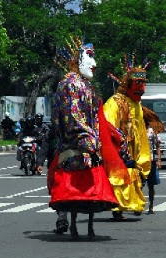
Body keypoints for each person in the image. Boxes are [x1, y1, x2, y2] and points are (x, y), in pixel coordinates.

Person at [49, 38, 123, 234]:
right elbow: (72, 118)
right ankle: (70, 223)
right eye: (90, 57)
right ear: (77, 59)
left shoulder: (87, 87)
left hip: (91, 147)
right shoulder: (70, 84)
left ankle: (88, 226)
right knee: (73, 193)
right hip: (77, 148)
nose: (95, 64)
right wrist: (88, 138)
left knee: (92, 194)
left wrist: (111, 136)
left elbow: (97, 118)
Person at [104, 55, 154, 221]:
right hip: (120, 150)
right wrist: (120, 147)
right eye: (139, 84)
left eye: (144, 84)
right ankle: (117, 209)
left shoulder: (136, 104)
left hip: (134, 151)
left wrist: (143, 156)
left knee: (135, 177)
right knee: (119, 178)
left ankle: (134, 204)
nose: (143, 88)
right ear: (128, 84)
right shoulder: (114, 102)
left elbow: (141, 131)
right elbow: (109, 127)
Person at [144, 120, 162, 214]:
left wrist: (159, 160)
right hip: (140, 161)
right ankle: (139, 205)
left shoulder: (152, 132)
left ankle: (151, 205)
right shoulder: (137, 130)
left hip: (151, 160)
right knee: (138, 185)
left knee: (151, 185)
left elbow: (158, 146)